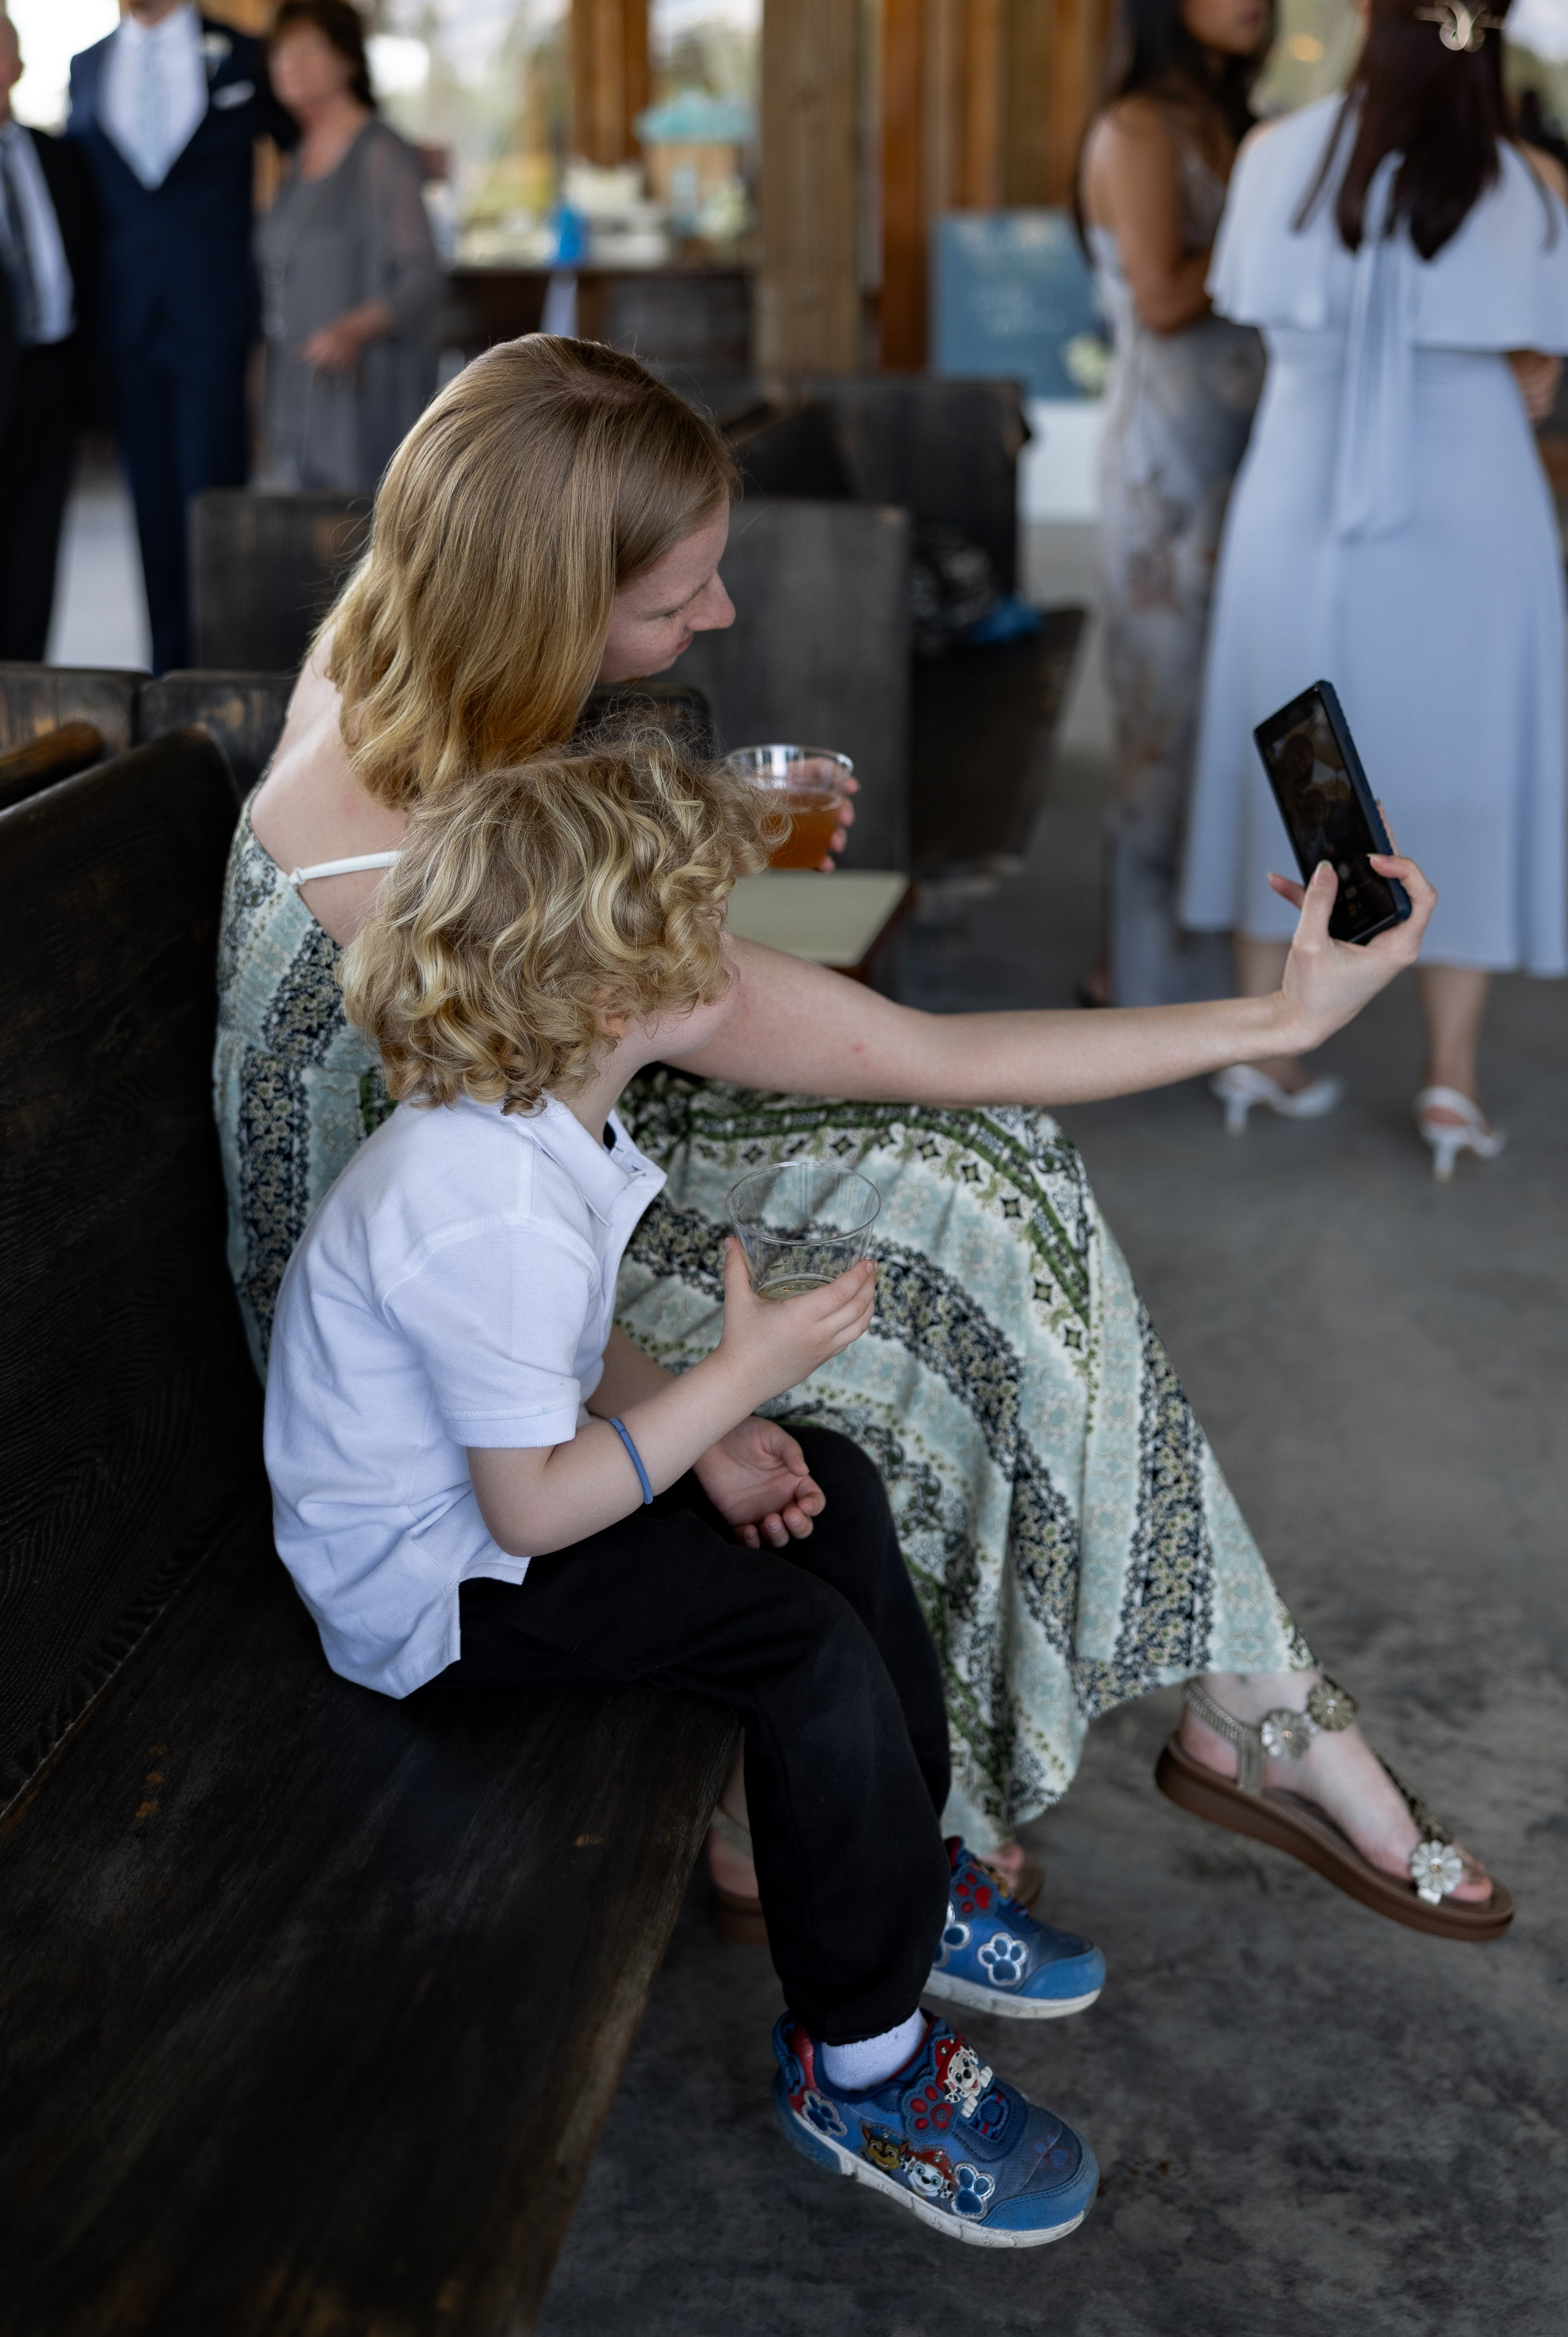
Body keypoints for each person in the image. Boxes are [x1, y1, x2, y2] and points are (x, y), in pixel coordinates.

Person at [216, 333, 1505, 1949]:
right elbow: (922, 1048)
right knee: (951, 1199)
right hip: (431, 1322)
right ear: (543, 600)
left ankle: (1221, 1691)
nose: (720, 619)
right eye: (678, 598)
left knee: (990, 1171)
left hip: (520, 1149)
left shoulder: (402, 647)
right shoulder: (428, 870)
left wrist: (690, 851)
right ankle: (1072, 1749)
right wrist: (1281, 1020)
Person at [265, 736, 1106, 2245]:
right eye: (691, 934)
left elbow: (559, 1356)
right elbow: (526, 1511)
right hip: (434, 1590)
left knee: (825, 1483)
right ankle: (862, 2061)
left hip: (495, 1511)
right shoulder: (483, 1202)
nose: (724, 951)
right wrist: (729, 1380)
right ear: (604, 1002)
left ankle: (898, 1885)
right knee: (797, 1655)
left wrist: (706, 1434)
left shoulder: (533, 1125)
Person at [1180, 0, 1568, 1172]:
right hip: (1477, 505)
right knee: (1472, 772)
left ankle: (1265, 1047)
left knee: (1294, 750)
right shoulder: (1536, 181)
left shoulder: (1276, 158)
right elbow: (1541, 383)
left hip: (1301, 498)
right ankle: (1448, 1081)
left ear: (1359, 14)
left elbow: (1247, 325)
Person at [1077, 0, 1272, 1010]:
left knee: (1234, 719)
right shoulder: (1139, 126)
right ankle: (1137, 981)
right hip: (1167, 473)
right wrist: (1275, 208)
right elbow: (1159, 295)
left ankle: (1211, 977)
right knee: (1162, 725)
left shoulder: (1233, 120)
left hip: (1250, 463)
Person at [67, 1, 296, 672]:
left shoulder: (244, 54)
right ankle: (169, 677)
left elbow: (307, 150)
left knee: (213, 500)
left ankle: (223, 675)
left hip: (213, 315)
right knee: (150, 512)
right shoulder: (86, 66)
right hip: (125, 322)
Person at [258, 2, 443, 494]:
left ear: (349, 60)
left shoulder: (382, 154)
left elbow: (424, 278)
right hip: (302, 394)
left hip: (368, 395)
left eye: (308, 49)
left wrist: (351, 330)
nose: (289, 64)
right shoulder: (296, 156)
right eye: (280, 53)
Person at [0, 10, 92, 662]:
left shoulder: (59, 155)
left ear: (19, 65)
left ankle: (24, 701)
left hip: (53, 374)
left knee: (35, 554)